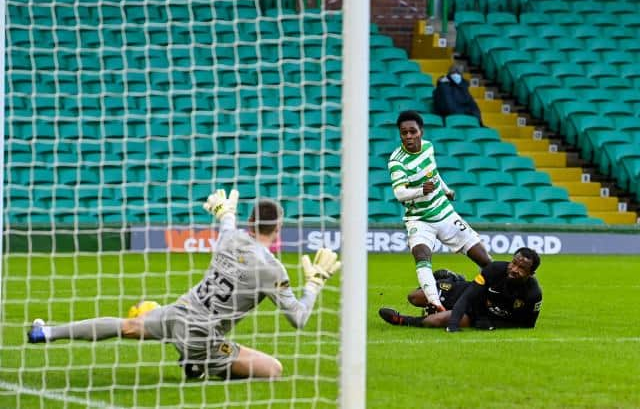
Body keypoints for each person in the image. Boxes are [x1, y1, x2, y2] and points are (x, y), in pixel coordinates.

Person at [27, 189, 341, 380]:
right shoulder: (272, 269)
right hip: (202, 335)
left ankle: (47, 332)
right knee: (273, 369)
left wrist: (226, 211)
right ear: (279, 228)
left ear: (250, 222)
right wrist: (314, 284)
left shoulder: (230, 237)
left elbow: (226, 220)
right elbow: (298, 319)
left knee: (127, 326)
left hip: (179, 311)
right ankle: (199, 363)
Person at [389, 110, 492, 312]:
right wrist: (420, 191)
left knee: (484, 259)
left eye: (412, 131)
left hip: (445, 214)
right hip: (419, 219)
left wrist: (446, 190)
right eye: (404, 133)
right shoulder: (396, 161)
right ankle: (435, 303)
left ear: (421, 131)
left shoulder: (428, 147)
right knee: (421, 255)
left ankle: (497, 293)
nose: (409, 136)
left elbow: (433, 174)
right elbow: (400, 194)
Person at [378, 247, 543, 331]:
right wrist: (454, 324)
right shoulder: (494, 269)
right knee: (414, 297)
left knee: (435, 321)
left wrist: (492, 324)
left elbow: (527, 325)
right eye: (514, 263)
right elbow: (468, 296)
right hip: (467, 292)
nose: (514, 269)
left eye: (522, 268)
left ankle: (401, 320)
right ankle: (452, 279)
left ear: (531, 273)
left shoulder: (533, 294)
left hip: (480, 314)